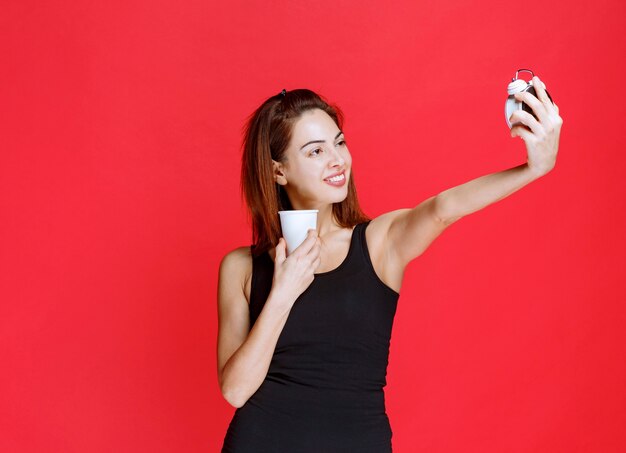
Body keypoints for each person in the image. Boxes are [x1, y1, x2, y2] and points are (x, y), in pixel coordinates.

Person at [217, 82, 562, 452]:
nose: (337, 160)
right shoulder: (241, 267)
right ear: (278, 172)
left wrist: (533, 169)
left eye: (339, 143)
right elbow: (235, 391)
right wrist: (282, 294)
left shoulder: (379, 242)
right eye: (316, 151)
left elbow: (442, 210)